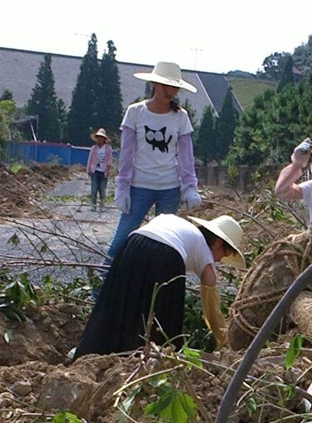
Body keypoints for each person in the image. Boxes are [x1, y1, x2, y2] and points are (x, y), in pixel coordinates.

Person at [74, 213, 245, 359]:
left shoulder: (182, 226)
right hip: (166, 255)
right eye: (225, 253)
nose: (220, 260)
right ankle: (148, 364)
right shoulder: (204, 249)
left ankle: (87, 354)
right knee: (163, 325)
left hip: (132, 245)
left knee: (115, 305)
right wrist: (223, 338)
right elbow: (211, 301)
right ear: (218, 242)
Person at [106, 61, 202, 263]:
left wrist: (190, 187)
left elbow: (186, 156)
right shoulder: (135, 112)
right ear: (155, 84)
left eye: (175, 87)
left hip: (170, 189)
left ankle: (155, 282)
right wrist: (122, 186)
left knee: (164, 244)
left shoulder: (180, 117)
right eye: (167, 86)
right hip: (139, 186)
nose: (171, 92)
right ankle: (102, 281)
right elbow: (126, 153)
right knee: (121, 240)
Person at [86, 128, 114, 212]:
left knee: (102, 189)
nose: (99, 139)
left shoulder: (108, 149)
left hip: (103, 172)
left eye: (101, 137)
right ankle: (93, 205)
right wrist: (88, 169)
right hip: (95, 171)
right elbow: (90, 159)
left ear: (104, 139)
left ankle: (102, 204)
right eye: (98, 137)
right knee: (94, 188)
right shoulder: (94, 148)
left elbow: (110, 160)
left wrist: (108, 170)